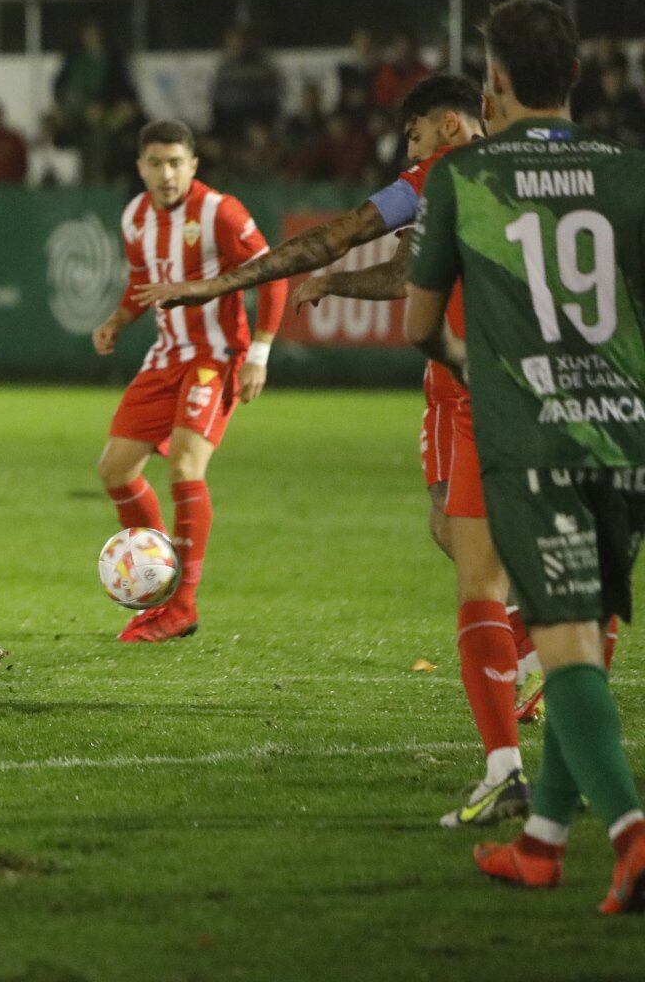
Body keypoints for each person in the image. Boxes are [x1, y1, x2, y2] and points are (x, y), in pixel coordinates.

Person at [137, 74, 551, 826]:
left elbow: (340, 229)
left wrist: (220, 284)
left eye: (415, 133)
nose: (409, 150)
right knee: (449, 529)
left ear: (450, 124)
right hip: (490, 380)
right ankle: (537, 656)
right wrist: (338, 283)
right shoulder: (525, 173)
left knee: (479, 572)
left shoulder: (440, 175)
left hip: (481, 379)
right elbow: (406, 269)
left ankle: (517, 740)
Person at [406, 0, 643, 914]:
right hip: (624, 429)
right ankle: (543, 841)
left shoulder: (463, 178)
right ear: (579, 75)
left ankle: (629, 835)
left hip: (532, 432)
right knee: (588, 634)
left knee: (566, 644)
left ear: (496, 82)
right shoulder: (628, 173)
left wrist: (480, 366)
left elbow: (424, 325)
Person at [91, 120, 287, 643]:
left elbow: (273, 273)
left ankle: (182, 606)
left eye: (176, 162)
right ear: (140, 168)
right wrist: (116, 320)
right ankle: (158, 583)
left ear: (193, 166)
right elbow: (141, 284)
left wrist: (259, 354)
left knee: (184, 464)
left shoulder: (220, 211)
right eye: (155, 163)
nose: (166, 173)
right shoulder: (134, 216)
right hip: (166, 354)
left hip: (216, 355)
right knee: (114, 470)